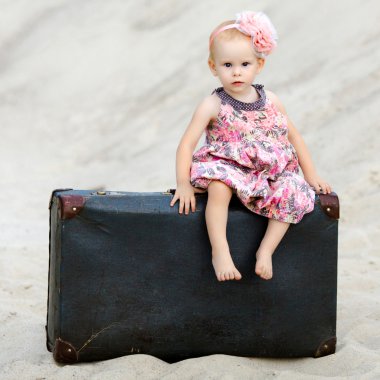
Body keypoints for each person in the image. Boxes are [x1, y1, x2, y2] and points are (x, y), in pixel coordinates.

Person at [170, 11, 331, 282]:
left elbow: (295, 138)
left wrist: (311, 175)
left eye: (245, 64)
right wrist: (183, 183)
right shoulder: (213, 104)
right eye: (227, 65)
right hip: (229, 167)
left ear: (259, 65)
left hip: (267, 173)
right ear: (213, 67)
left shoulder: (272, 100)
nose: (236, 72)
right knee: (219, 187)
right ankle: (220, 251)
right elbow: (186, 144)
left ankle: (265, 251)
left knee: (293, 189)